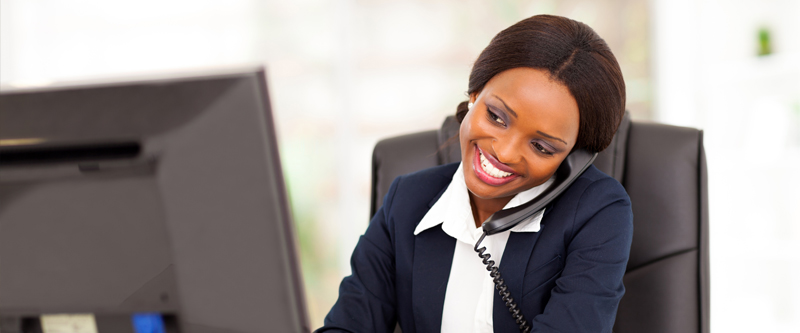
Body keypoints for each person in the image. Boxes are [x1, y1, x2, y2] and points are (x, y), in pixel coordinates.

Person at [318, 14, 632, 333]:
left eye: (541, 146)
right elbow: (347, 325)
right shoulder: (407, 201)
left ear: (574, 157)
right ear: (474, 95)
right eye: (496, 116)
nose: (506, 152)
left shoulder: (598, 211)